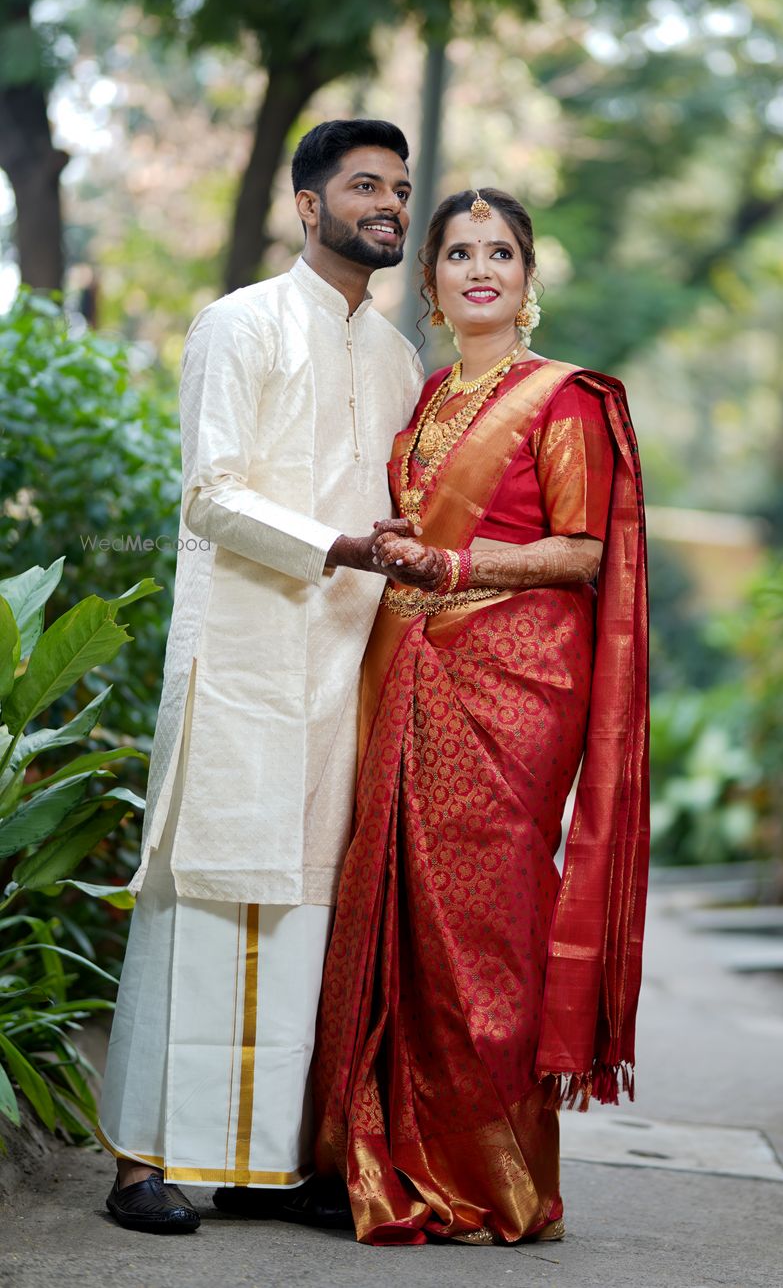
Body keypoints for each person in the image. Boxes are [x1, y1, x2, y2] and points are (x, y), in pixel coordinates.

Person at [98, 118, 432, 1234]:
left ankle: (263, 1161)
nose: (387, 204)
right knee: (203, 898)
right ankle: (143, 1162)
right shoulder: (239, 323)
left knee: (304, 916)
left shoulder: (398, 360)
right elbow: (208, 495)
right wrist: (335, 545)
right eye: (363, 186)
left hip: (344, 665)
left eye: (397, 188)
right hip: (245, 652)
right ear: (307, 205)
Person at [312, 186, 650, 1246]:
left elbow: (583, 552)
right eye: (457, 253)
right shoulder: (422, 406)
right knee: (400, 918)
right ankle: (390, 1162)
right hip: (408, 667)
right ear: (431, 284)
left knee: (486, 929)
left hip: (512, 686)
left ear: (528, 277)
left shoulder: (561, 400)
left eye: (499, 251)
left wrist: (457, 562)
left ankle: (497, 1182)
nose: (478, 268)